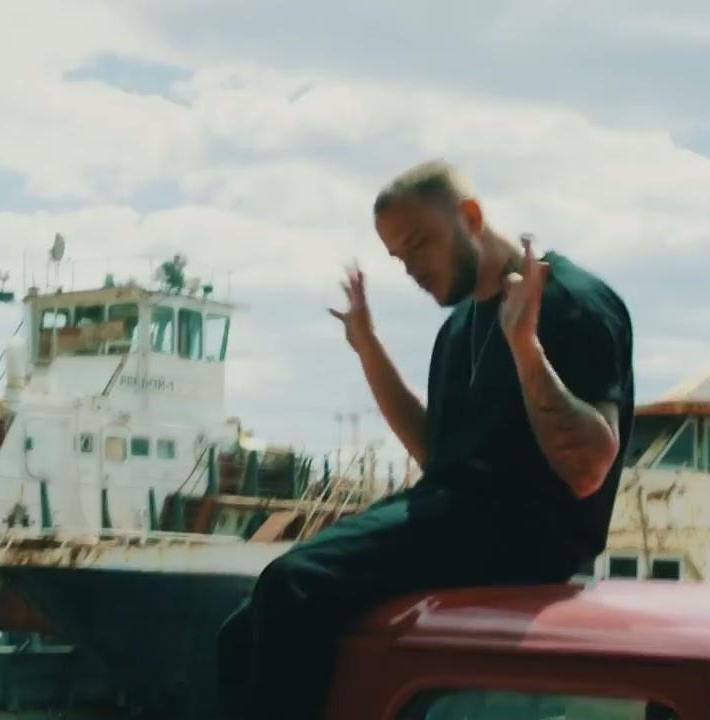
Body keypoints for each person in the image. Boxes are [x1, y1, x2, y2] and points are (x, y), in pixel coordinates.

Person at [216, 159, 636, 720]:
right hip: (453, 516)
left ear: (471, 217)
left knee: (293, 585)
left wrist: (525, 347)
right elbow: (439, 456)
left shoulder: (571, 301)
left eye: (418, 243)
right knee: (241, 633)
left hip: (524, 534)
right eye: (397, 256)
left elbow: (587, 470)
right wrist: (367, 346)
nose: (411, 267)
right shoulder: (460, 327)